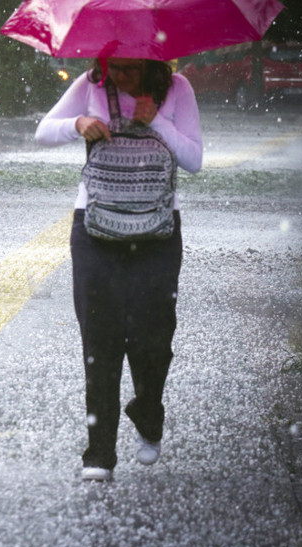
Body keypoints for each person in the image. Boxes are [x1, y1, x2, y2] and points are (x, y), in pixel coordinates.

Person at [35, 58, 203, 482]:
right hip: (94, 226)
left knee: (154, 336)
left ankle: (148, 412)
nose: (119, 76)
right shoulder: (90, 85)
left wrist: (156, 122)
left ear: (151, 62)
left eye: (129, 68)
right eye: (113, 66)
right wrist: (79, 124)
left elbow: (195, 159)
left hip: (158, 229)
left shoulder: (178, 89)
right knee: (100, 338)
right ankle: (99, 454)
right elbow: (43, 131)